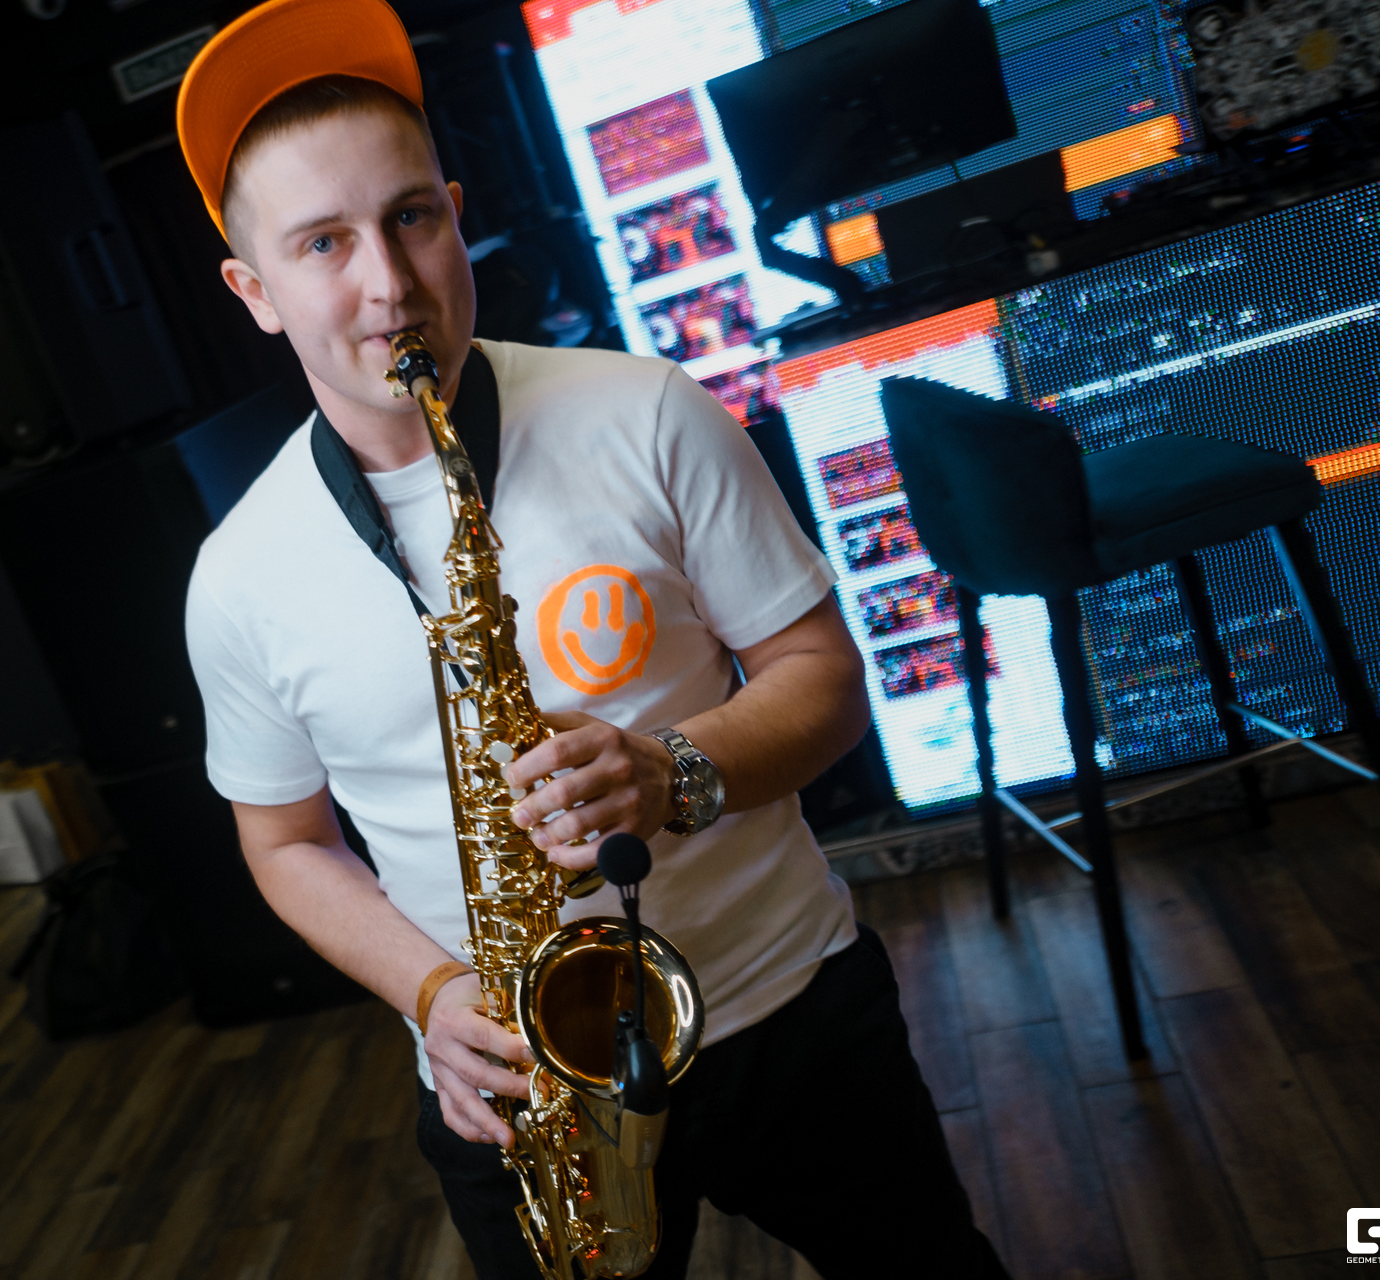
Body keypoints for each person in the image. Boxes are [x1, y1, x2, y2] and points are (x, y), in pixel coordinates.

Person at [174, 3, 1010, 1276]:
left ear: (457, 213)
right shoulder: (238, 577)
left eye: (412, 217)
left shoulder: (648, 409)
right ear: (255, 292)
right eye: (323, 242)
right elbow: (285, 841)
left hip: (788, 1003)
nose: (390, 285)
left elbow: (827, 679)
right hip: (523, 1079)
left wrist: (672, 769)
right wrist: (432, 992)